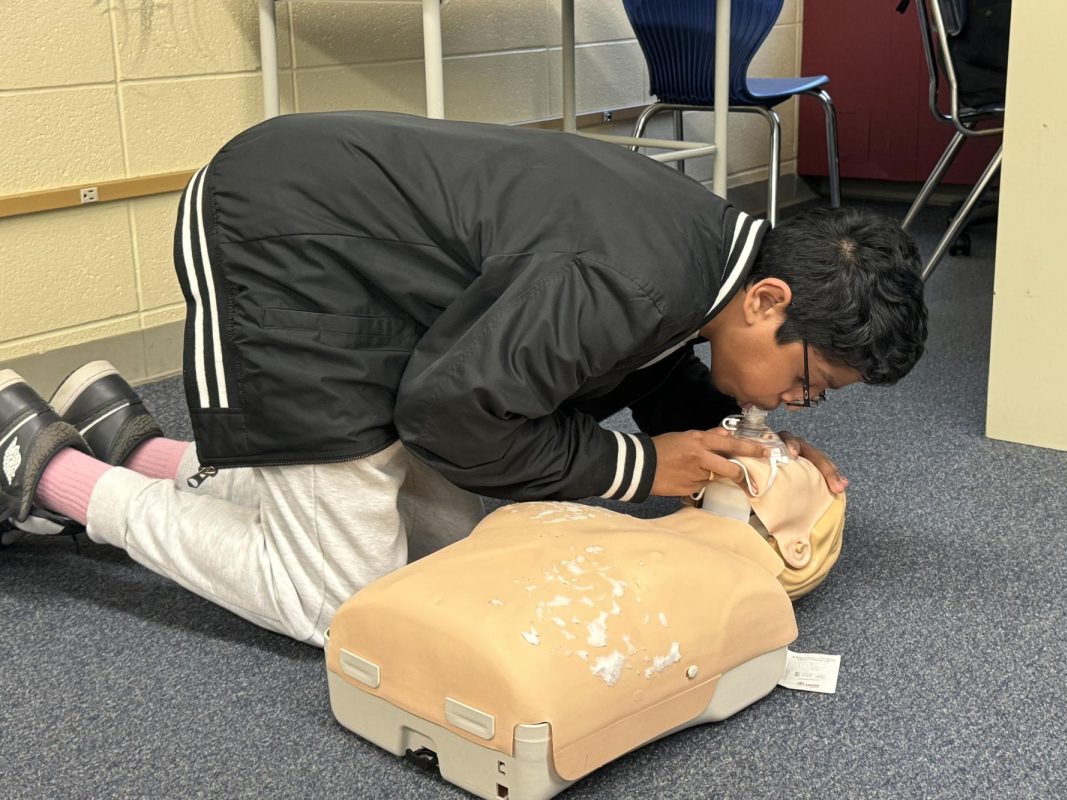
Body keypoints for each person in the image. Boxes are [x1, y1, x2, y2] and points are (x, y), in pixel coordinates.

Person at [0, 111, 927, 645]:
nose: (795, 403)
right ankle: (49, 472)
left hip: (347, 240)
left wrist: (736, 433)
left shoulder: (703, 252)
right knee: (343, 603)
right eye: (811, 383)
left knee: (444, 527)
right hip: (278, 237)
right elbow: (450, 413)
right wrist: (644, 470)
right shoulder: (626, 279)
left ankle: (142, 444)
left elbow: (642, 361)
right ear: (769, 301)